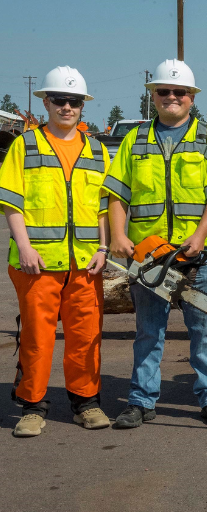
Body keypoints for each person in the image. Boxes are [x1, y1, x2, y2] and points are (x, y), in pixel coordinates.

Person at [103, 59, 207, 428]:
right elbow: (117, 195)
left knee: (205, 331)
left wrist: (199, 235)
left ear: (191, 97)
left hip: (201, 253)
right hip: (149, 255)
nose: (171, 96)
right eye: (163, 90)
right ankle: (141, 400)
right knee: (149, 331)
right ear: (153, 95)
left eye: (179, 91)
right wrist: (118, 236)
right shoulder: (135, 139)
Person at [0, 66, 111, 437]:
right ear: (45, 102)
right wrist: (24, 247)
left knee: (86, 336)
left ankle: (86, 404)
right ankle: (33, 407)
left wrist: (104, 247)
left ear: (82, 106)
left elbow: (104, 206)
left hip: (85, 263)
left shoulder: (96, 149)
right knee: (37, 338)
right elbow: (11, 201)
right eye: (60, 100)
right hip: (38, 263)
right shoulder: (26, 145)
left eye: (74, 101)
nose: (67, 107)